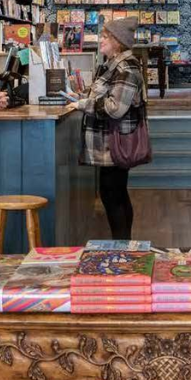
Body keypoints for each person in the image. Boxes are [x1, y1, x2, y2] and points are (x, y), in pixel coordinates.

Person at [67, 16, 148, 237]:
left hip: (115, 142)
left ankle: (122, 248)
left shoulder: (126, 69)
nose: (99, 40)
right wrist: (81, 95)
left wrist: (82, 104)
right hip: (109, 143)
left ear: (118, 42)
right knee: (116, 193)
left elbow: (115, 108)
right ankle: (124, 245)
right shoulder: (110, 65)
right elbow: (105, 94)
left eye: (105, 37)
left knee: (113, 195)